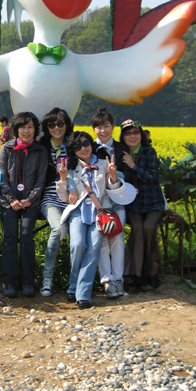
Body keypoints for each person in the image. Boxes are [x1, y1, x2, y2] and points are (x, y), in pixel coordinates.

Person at [56, 131, 121, 309]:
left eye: (86, 143)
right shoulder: (70, 168)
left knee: (93, 250)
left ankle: (82, 294)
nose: (83, 148)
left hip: (99, 214)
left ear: (92, 144)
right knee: (77, 245)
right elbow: (63, 197)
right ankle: (73, 285)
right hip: (78, 213)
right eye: (78, 146)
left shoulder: (104, 164)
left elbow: (113, 189)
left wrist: (113, 176)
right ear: (73, 150)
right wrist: (63, 180)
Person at [0, 111, 48, 298]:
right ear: (16, 129)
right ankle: (8, 281)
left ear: (35, 129)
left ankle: (28, 282)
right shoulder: (7, 149)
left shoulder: (40, 150)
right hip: (8, 201)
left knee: (26, 236)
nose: (26, 131)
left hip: (30, 202)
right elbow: (2, 177)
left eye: (30, 127)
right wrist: (12, 199)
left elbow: (41, 179)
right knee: (10, 236)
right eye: (22, 127)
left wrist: (30, 199)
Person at [119, 119, 165, 292]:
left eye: (136, 132)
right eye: (128, 133)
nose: (132, 136)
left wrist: (133, 166)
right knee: (138, 229)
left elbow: (152, 177)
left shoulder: (149, 152)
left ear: (141, 134)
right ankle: (132, 275)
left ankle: (152, 273)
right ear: (123, 137)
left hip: (153, 202)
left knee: (149, 228)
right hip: (133, 204)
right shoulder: (121, 154)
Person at [38, 107, 75, 297]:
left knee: (80, 235)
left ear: (67, 125)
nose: (56, 128)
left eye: (60, 123)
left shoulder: (74, 145)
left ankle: (75, 281)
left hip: (73, 199)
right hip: (50, 198)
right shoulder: (42, 147)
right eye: (51, 125)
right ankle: (47, 278)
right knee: (57, 229)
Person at [91, 106, 127, 298]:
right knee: (103, 240)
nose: (103, 131)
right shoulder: (89, 148)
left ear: (113, 126)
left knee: (117, 238)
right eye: (99, 127)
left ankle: (119, 279)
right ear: (93, 129)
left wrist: (115, 174)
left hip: (117, 201)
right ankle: (106, 281)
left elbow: (127, 174)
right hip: (99, 203)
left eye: (106, 126)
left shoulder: (121, 148)